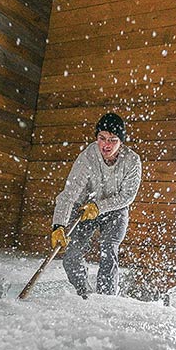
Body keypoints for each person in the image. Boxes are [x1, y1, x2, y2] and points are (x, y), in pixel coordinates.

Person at [51, 112, 142, 297]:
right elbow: (70, 192)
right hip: (86, 209)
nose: (106, 145)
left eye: (113, 140)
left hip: (116, 210)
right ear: (96, 137)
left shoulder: (132, 161)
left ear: (121, 141)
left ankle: (106, 298)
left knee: (109, 249)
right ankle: (86, 295)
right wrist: (58, 225)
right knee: (71, 256)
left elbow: (127, 196)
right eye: (102, 138)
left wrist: (100, 207)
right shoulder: (88, 157)